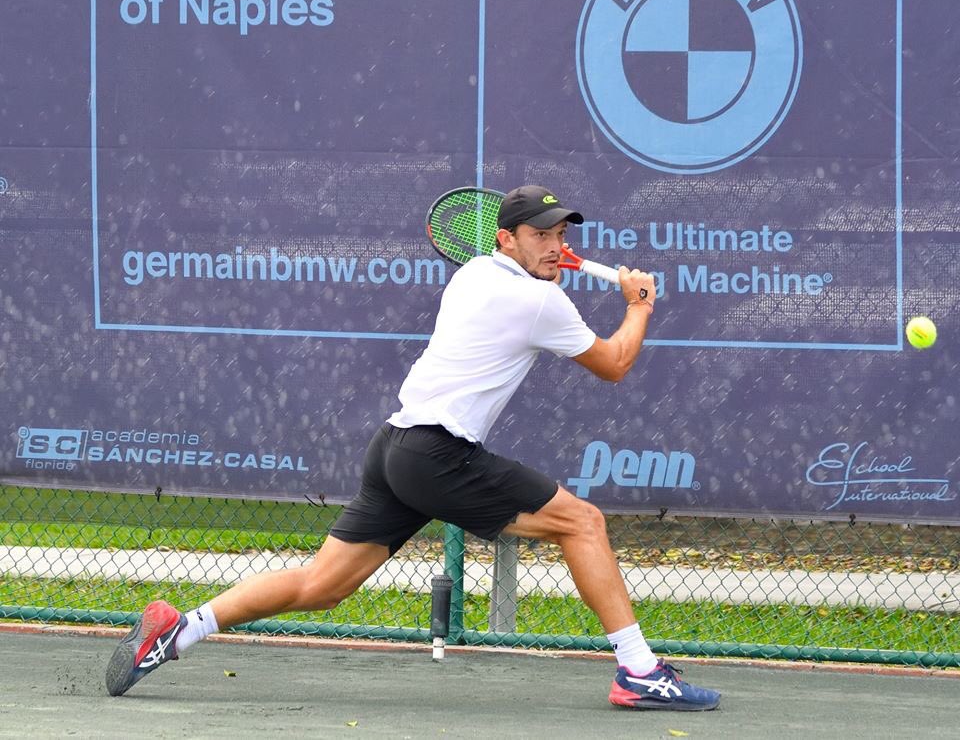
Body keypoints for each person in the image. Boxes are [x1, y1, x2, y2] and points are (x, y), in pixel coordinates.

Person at [105, 184, 720, 711]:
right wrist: (638, 305)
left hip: (395, 447)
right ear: (505, 240)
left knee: (322, 585)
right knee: (582, 522)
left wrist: (574, 282)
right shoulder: (539, 300)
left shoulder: (476, 273)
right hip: (437, 456)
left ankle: (180, 630)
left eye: (560, 234)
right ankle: (639, 672)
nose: (555, 246)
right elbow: (614, 363)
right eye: (540, 235)